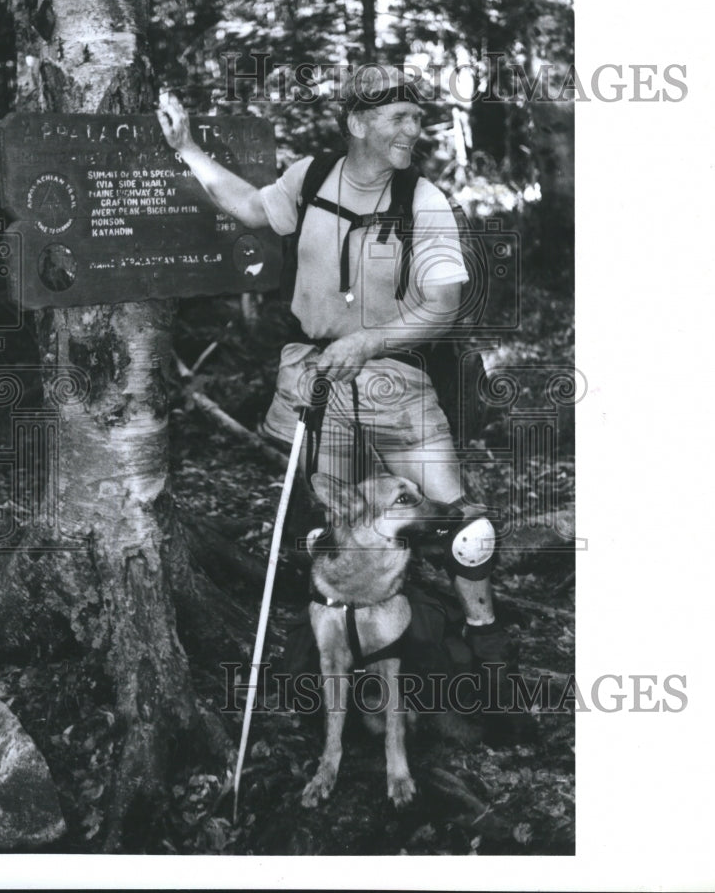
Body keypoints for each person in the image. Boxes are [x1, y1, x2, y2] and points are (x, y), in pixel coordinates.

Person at [157, 66, 518, 715]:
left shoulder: (423, 201)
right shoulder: (310, 177)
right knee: (336, 528)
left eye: (417, 118)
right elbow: (249, 206)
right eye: (399, 119)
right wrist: (185, 147)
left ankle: (486, 659)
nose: (415, 130)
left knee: (468, 530)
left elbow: (442, 304)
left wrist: (368, 342)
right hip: (318, 383)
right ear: (356, 123)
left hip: (399, 386)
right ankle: (347, 665)